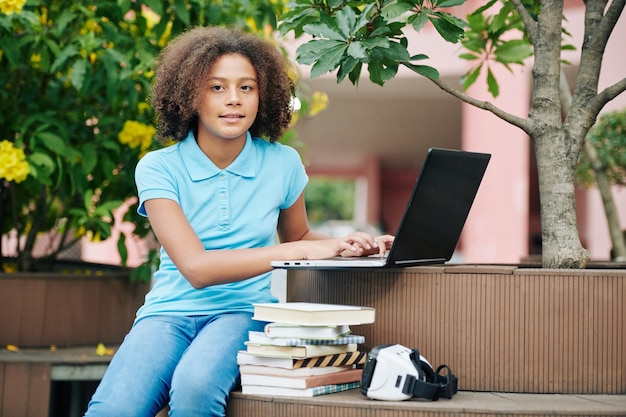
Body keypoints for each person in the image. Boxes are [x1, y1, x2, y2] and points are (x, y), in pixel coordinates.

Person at [84, 26, 394, 417]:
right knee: (113, 409)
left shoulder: (283, 163)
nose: (233, 100)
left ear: (264, 96)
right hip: (167, 313)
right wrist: (300, 248)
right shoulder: (159, 168)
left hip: (244, 312)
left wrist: (351, 245)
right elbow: (196, 269)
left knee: (195, 389)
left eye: (246, 88)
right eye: (217, 88)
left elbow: (299, 235)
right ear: (189, 95)